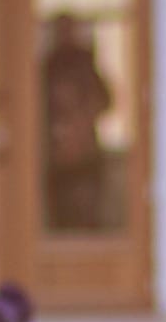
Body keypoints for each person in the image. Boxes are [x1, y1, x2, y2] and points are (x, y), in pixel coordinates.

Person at [42, 13, 114, 230]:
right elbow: (32, 110)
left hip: (86, 155)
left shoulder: (86, 65)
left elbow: (106, 102)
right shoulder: (47, 67)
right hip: (55, 156)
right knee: (59, 214)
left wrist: (80, 121)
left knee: (88, 211)